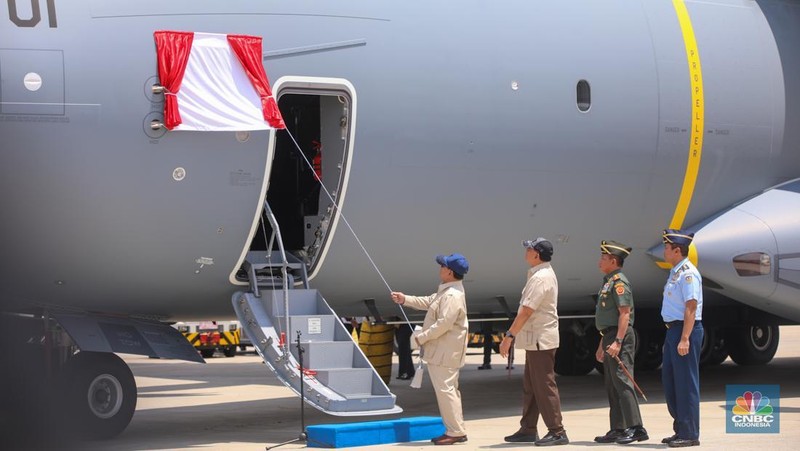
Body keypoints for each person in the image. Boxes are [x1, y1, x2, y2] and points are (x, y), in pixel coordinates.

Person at [391, 253, 470, 446]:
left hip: (445, 353)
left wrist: (421, 337)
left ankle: (455, 432)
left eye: (442, 266)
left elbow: (444, 324)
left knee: (446, 392)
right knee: (449, 391)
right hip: (443, 351)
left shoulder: (452, 295)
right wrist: (404, 299)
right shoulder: (447, 291)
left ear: (449, 271)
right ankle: (456, 429)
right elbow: (428, 301)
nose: (440, 268)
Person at [499, 238, 568, 446]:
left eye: (528, 249)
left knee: (544, 386)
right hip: (535, 340)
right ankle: (528, 428)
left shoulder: (541, 278)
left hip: (541, 341)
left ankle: (557, 431)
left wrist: (509, 336)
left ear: (536, 254)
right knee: (531, 386)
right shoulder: (538, 274)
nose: (526, 252)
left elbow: (527, 311)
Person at [593, 240, 648, 444]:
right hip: (609, 335)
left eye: (603, 258)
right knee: (612, 384)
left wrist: (617, 341)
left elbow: (624, 314)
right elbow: (607, 318)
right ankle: (618, 427)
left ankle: (637, 428)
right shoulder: (608, 280)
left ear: (613, 260)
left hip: (620, 336)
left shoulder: (619, 282)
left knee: (623, 381)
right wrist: (602, 343)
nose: (599, 262)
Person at [660, 229, 703, 448]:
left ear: (677, 250)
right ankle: (680, 429)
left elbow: (691, 307)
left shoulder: (688, 273)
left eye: (667, 248)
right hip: (673, 330)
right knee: (671, 381)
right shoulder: (676, 271)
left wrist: (685, 338)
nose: (664, 251)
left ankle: (690, 433)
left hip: (685, 330)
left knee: (686, 383)